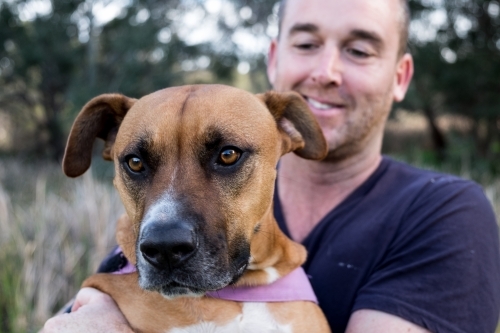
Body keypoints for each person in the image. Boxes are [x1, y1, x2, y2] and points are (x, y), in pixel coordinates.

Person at [44, 0, 500, 332]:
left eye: (360, 50)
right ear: (274, 56)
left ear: (401, 76)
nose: (327, 71)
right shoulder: (140, 243)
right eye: (139, 164)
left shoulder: (444, 212)